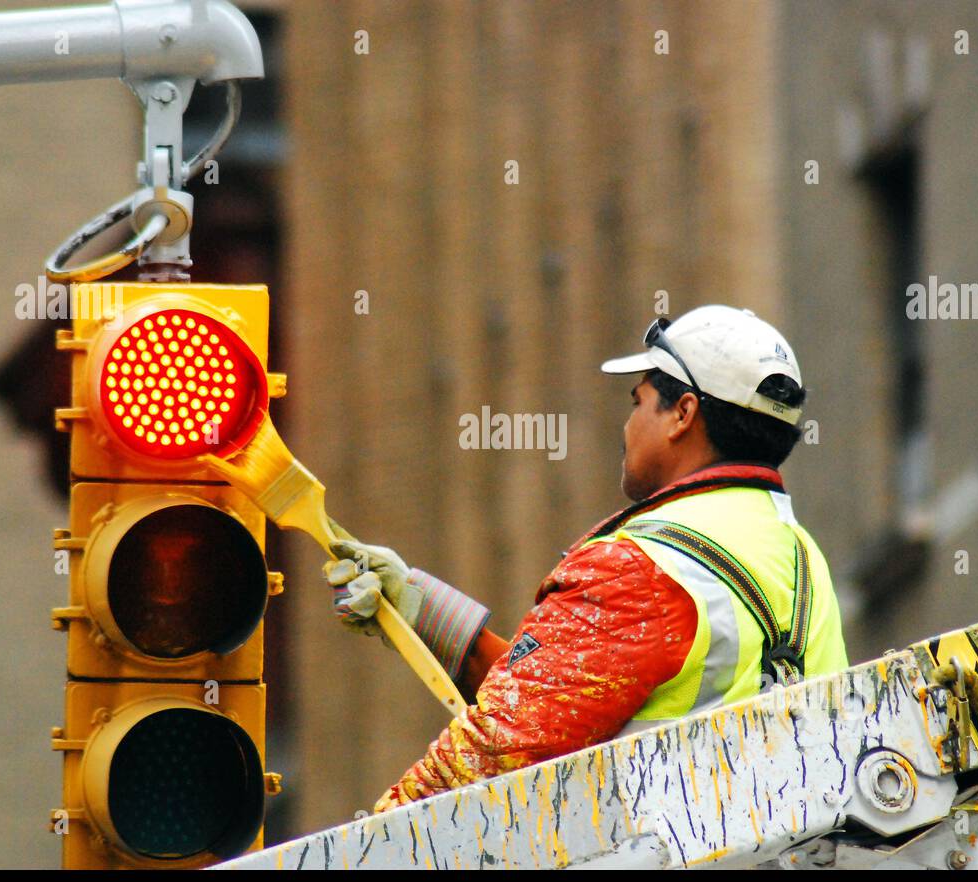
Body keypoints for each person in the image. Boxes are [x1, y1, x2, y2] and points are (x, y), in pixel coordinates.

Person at [324, 304, 848, 812]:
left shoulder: (644, 565)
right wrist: (424, 611)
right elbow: (575, 703)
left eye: (637, 401)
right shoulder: (801, 558)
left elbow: (498, 747)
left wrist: (366, 846)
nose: (626, 427)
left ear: (683, 413)